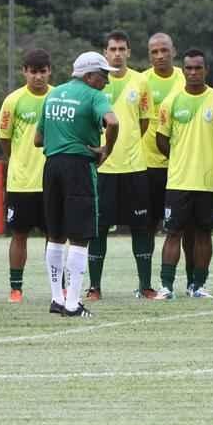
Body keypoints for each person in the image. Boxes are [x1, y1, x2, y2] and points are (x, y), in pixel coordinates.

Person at [36, 52, 119, 318]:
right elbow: (113, 122)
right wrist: (107, 149)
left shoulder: (53, 94)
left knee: (56, 234)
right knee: (81, 236)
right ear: (89, 75)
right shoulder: (94, 96)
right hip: (79, 167)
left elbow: (38, 139)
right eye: (103, 76)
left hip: (51, 167)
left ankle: (56, 298)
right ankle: (73, 303)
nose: (106, 81)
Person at [91, 35, 155, 300]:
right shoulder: (95, 82)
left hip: (134, 168)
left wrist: (125, 145)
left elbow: (143, 122)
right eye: (112, 49)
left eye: (121, 49)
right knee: (98, 229)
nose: (117, 54)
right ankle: (94, 287)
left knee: (141, 228)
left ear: (129, 52)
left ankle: (145, 286)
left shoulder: (141, 81)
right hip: (103, 170)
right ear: (104, 52)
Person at [157, 49, 213, 299]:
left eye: (198, 68)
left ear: (206, 70)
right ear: (182, 70)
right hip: (178, 180)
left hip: (208, 182)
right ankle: (166, 286)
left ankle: (198, 285)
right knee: (173, 232)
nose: (193, 73)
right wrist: (181, 159)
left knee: (203, 233)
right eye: (189, 68)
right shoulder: (170, 102)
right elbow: (161, 140)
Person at [0, 49, 52, 303]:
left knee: (55, 236)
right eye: (33, 72)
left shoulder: (58, 97)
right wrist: (18, 161)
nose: (38, 77)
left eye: (42, 72)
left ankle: (57, 286)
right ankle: (16, 288)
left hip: (52, 180)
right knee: (20, 235)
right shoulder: (13, 101)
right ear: (24, 72)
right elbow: (4, 139)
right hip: (21, 181)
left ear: (49, 71)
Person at [141, 33, 187, 290]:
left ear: (174, 51)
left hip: (180, 168)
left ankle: (192, 284)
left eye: (164, 50)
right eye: (154, 52)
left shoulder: (186, 78)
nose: (159, 56)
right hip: (147, 166)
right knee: (147, 227)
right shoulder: (141, 81)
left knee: (183, 228)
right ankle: (146, 285)